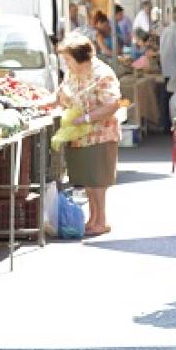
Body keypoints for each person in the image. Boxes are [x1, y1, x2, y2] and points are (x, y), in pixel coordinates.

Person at [56, 34, 122, 237]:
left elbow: (113, 104)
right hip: (78, 136)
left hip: (100, 134)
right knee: (88, 180)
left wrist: (86, 118)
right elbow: (60, 94)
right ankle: (93, 219)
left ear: (81, 57)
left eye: (68, 59)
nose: (66, 63)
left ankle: (101, 220)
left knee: (98, 180)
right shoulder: (72, 73)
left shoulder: (102, 74)